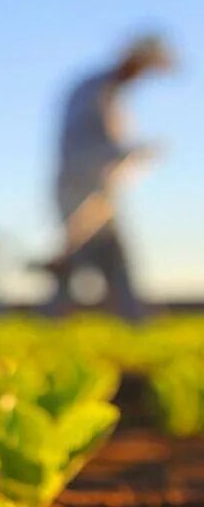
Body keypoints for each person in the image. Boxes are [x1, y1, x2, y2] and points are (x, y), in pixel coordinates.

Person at [43, 35, 173, 322]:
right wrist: (135, 151)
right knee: (77, 259)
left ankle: (131, 320)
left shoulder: (111, 93)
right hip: (80, 190)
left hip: (100, 193)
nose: (143, 75)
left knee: (107, 261)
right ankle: (56, 321)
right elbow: (87, 145)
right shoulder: (94, 91)